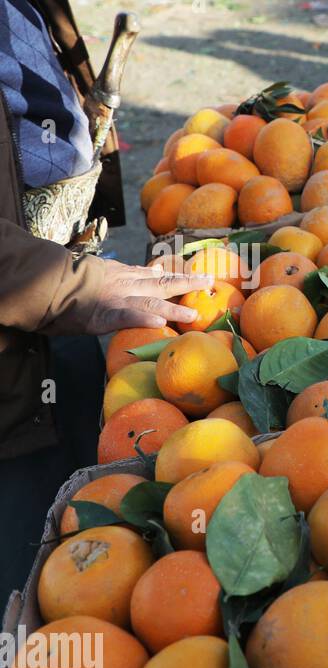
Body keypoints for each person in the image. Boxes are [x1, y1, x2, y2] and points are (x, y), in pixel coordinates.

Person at [1, 0, 210, 601]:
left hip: (54, 310)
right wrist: (70, 288)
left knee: (85, 505)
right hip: (23, 337)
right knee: (33, 588)